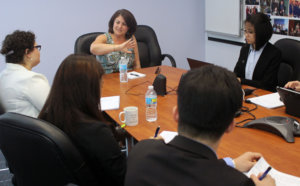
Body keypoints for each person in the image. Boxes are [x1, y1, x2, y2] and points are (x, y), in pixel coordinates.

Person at [125, 65, 275, 186]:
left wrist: (231, 163)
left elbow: (191, 168)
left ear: (176, 114)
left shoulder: (140, 151)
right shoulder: (238, 182)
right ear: (230, 125)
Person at [38, 54, 126, 186]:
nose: (101, 87)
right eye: (100, 83)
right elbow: (123, 176)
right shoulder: (95, 130)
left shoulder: (48, 117)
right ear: (88, 89)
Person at [0, 30, 50, 118]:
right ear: (27, 53)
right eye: (37, 47)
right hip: (35, 131)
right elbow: (55, 111)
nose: (39, 52)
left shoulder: (2, 77)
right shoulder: (32, 79)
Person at [234, 13, 281, 92]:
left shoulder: (274, 54)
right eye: (245, 31)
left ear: (261, 33)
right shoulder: (245, 49)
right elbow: (236, 73)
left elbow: (266, 85)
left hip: (263, 95)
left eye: (250, 32)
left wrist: (242, 81)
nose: (246, 35)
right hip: (245, 91)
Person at [90, 9, 141, 74]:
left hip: (127, 78)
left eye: (124, 24)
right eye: (117, 22)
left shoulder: (131, 38)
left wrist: (139, 79)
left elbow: (136, 64)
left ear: (129, 27)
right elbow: (93, 48)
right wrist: (119, 47)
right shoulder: (104, 38)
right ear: (113, 22)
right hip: (107, 79)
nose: (120, 26)